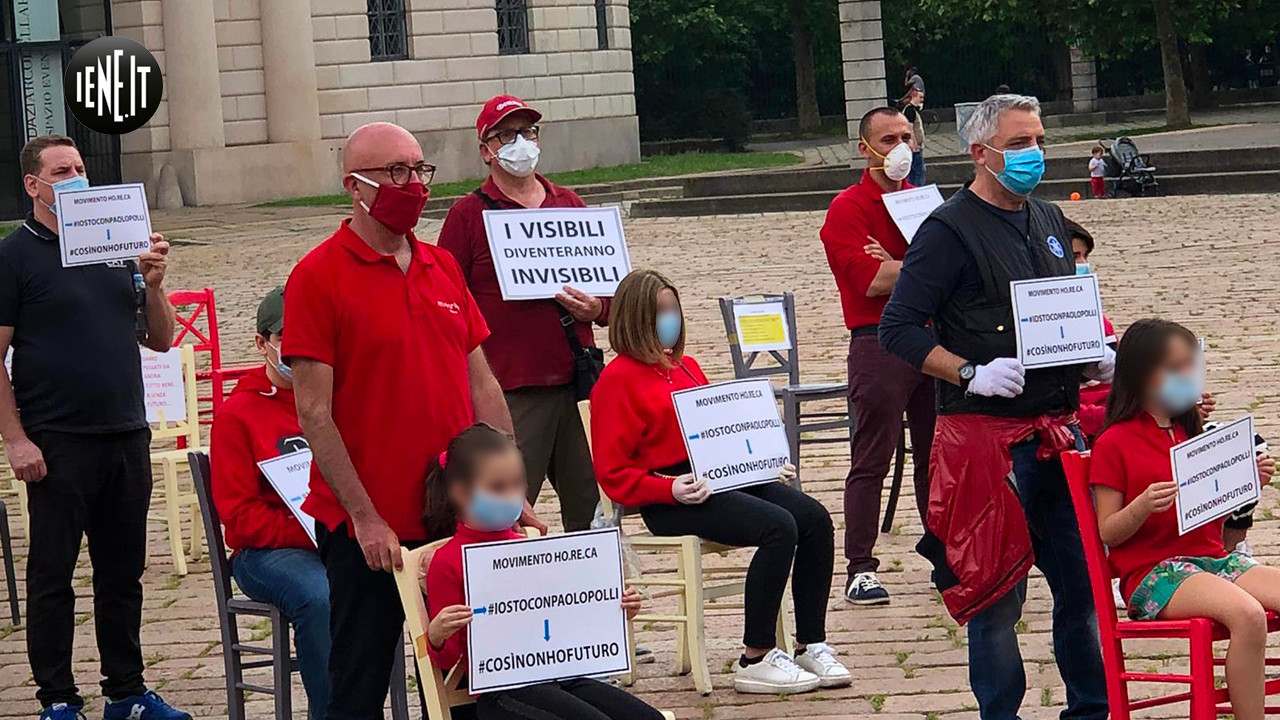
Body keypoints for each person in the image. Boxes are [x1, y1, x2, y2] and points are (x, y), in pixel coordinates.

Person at [283, 122, 533, 720]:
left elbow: (481, 382)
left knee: (474, 676)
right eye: (396, 171)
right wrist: (364, 517)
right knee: (360, 682)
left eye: (420, 169)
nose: (414, 184)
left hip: (456, 513)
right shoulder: (318, 276)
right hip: (370, 525)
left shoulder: (441, 265)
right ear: (355, 185)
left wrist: (509, 488)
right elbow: (314, 412)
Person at [879, 94, 1111, 720]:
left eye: (1038, 141)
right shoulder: (948, 232)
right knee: (995, 595)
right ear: (981, 153)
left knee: (1083, 585)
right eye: (1018, 144)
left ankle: (1090, 709)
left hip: (1058, 432)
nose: (1034, 154)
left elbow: (1063, 307)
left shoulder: (1050, 219)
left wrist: (1092, 354)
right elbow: (898, 327)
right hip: (986, 441)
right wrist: (968, 371)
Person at [589, 269, 850, 694]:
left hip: (717, 476)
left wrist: (761, 461)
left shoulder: (686, 367)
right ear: (636, 318)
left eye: (673, 309)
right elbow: (613, 473)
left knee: (814, 518)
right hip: (669, 497)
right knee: (777, 526)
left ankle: (810, 642)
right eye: (660, 311)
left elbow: (716, 430)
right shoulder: (616, 380)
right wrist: (668, 489)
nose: (670, 319)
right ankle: (756, 656)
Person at [0, 135, 187, 720]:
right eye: (62, 171)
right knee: (53, 573)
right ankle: (57, 697)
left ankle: (126, 690)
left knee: (123, 572)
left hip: (124, 429)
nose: (76, 178)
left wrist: (153, 284)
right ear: (33, 185)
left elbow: (160, 339)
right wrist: (16, 438)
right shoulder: (15, 256)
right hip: (57, 437)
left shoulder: (115, 245)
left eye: (80, 167)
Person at [1091, 318, 1276, 720]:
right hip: (1154, 573)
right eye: (1174, 368)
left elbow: (1215, 528)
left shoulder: (1191, 434)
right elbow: (1108, 531)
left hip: (1213, 559)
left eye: (1190, 365)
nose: (1187, 376)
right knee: (1247, 615)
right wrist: (1141, 506)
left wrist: (1246, 485)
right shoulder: (1113, 442)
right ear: (1143, 375)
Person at [438, 95, 605, 532]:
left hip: (576, 382)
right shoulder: (467, 215)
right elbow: (443, 298)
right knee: (506, 507)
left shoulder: (568, 204)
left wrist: (596, 307)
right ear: (485, 150)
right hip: (509, 388)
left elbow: (610, 293)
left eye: (528, 132)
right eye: (506, 135)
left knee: (591, 506)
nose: (521, 143)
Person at [421, 423, 665, 720]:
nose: (511, 495)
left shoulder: (532, 549)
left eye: (518, 484)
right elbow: (448, 659)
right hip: (504, 690)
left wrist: (614, 608)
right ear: (461, 492)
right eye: (498, 487)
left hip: (561, 673)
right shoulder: (447, 562)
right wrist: (437, 634)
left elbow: (567, 614)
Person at [820, 106, 934, 606]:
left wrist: (901, 264)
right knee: (872, 458)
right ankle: (860, 567)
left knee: (937, 456)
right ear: (864, 149)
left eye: (907, 137)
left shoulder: (923, 202)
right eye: (888, 139)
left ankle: (944, 553)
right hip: (879, 340)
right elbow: (870, 281)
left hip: (933, 339)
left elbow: (952, 269)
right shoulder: (848, 208)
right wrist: (919, 265)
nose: (900, 148)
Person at [210, 286, 329, 720]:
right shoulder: (237, 416)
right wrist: (311, 530)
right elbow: (239, 517)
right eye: (286, 340)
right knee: (322, 597)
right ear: (262, 343)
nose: (299, 351)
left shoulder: (338, 397)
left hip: (335, 535)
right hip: (267, 551)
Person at [901, 89, 927, 186]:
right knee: (919, 171)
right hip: (914, 147)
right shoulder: (910, 110)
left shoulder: (912, 110)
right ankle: (918, 188)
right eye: (920, 97)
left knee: (913, 171)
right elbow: (910, 128)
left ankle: (912, 187)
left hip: (914, 146)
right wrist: (915, 145)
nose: (922, 100)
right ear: (914, 97)